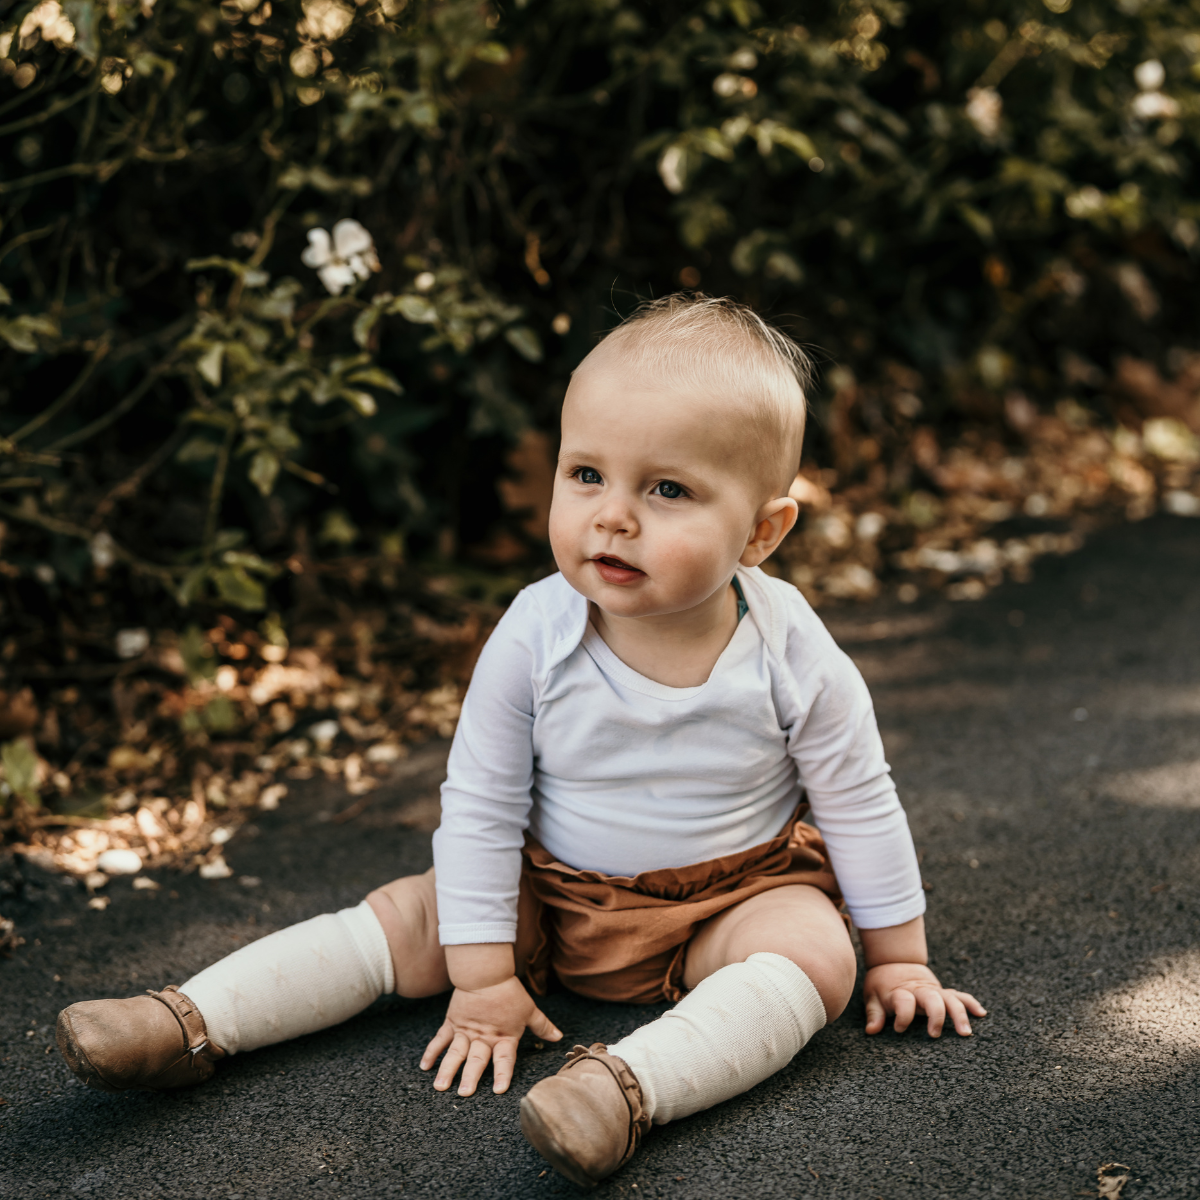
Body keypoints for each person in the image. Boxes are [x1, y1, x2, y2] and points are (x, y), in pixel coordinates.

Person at [56, 294, 985, 1188]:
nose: (612, 515)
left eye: (668, 489)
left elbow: (857, 795)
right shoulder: (536, 633)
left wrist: (898, 954)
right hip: (549, 889)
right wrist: (484, 975)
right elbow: (483, 804)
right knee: (418, 917)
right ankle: (192, 1019)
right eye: (587, 475)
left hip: (729, 899)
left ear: (763, 531)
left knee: (816, 952)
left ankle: (622, 1091)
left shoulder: (790, 647)